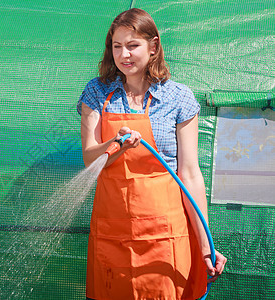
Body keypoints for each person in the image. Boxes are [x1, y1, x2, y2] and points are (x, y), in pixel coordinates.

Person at [78, 8, 227, 300]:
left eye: (133, 45)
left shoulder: (178, 97)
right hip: (113, 230)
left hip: (165, 230)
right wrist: (116, 145)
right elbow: (89, 158)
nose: (124, 55)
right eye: (117, 46)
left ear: (153, 46)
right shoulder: (97, 92)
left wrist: (205, 243)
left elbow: (190, 173)